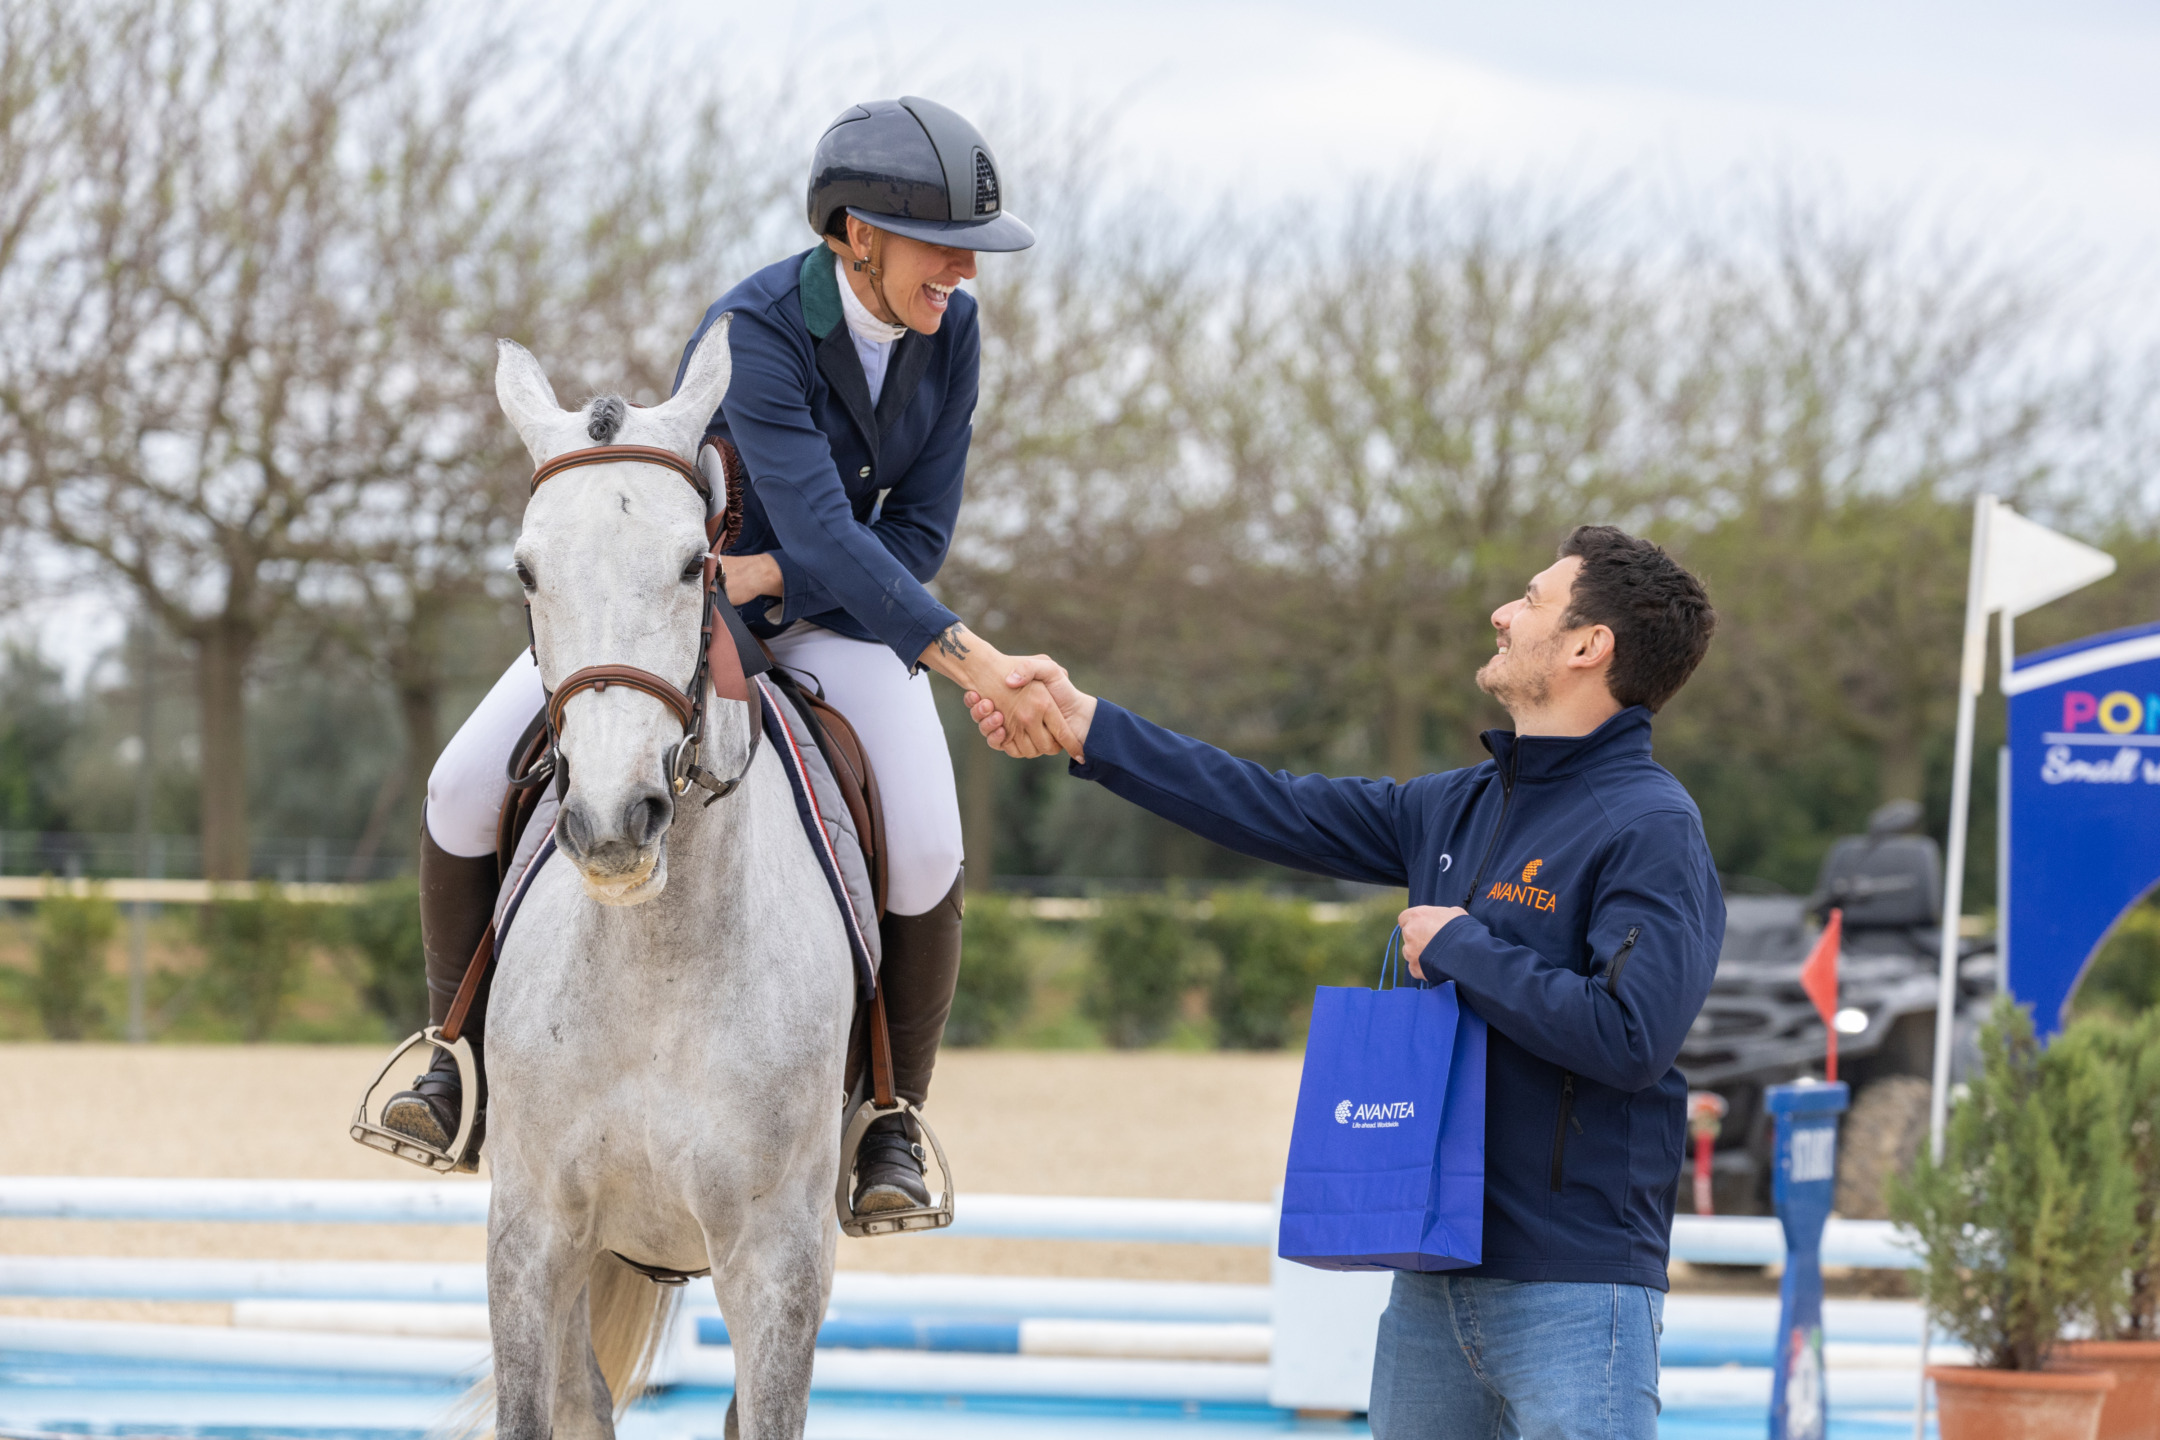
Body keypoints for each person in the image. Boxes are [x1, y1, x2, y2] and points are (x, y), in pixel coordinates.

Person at [385, 97, 1075, 1215]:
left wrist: (781, 579)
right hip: (680, 615)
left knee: (931, 847)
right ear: (857, 234)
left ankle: (891, 1118)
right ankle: (451, 1059)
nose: (965, 273)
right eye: (943, 247)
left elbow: (918, 535)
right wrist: (970, 659)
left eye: (972, 253)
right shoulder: (755, 330)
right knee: (461, 784)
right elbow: (822, 522)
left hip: (837, 619)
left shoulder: (952, 334)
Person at [969, 526, 1724, 1439]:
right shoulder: (1455, 804)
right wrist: (1088, 725)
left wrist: (1462, 947)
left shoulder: (1652, 825)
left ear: (1585, 645)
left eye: (1530, 598)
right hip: (1430, 1274)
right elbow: (1265, 804)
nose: (1502, 612)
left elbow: (1632, 1038)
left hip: (1576, 1290)